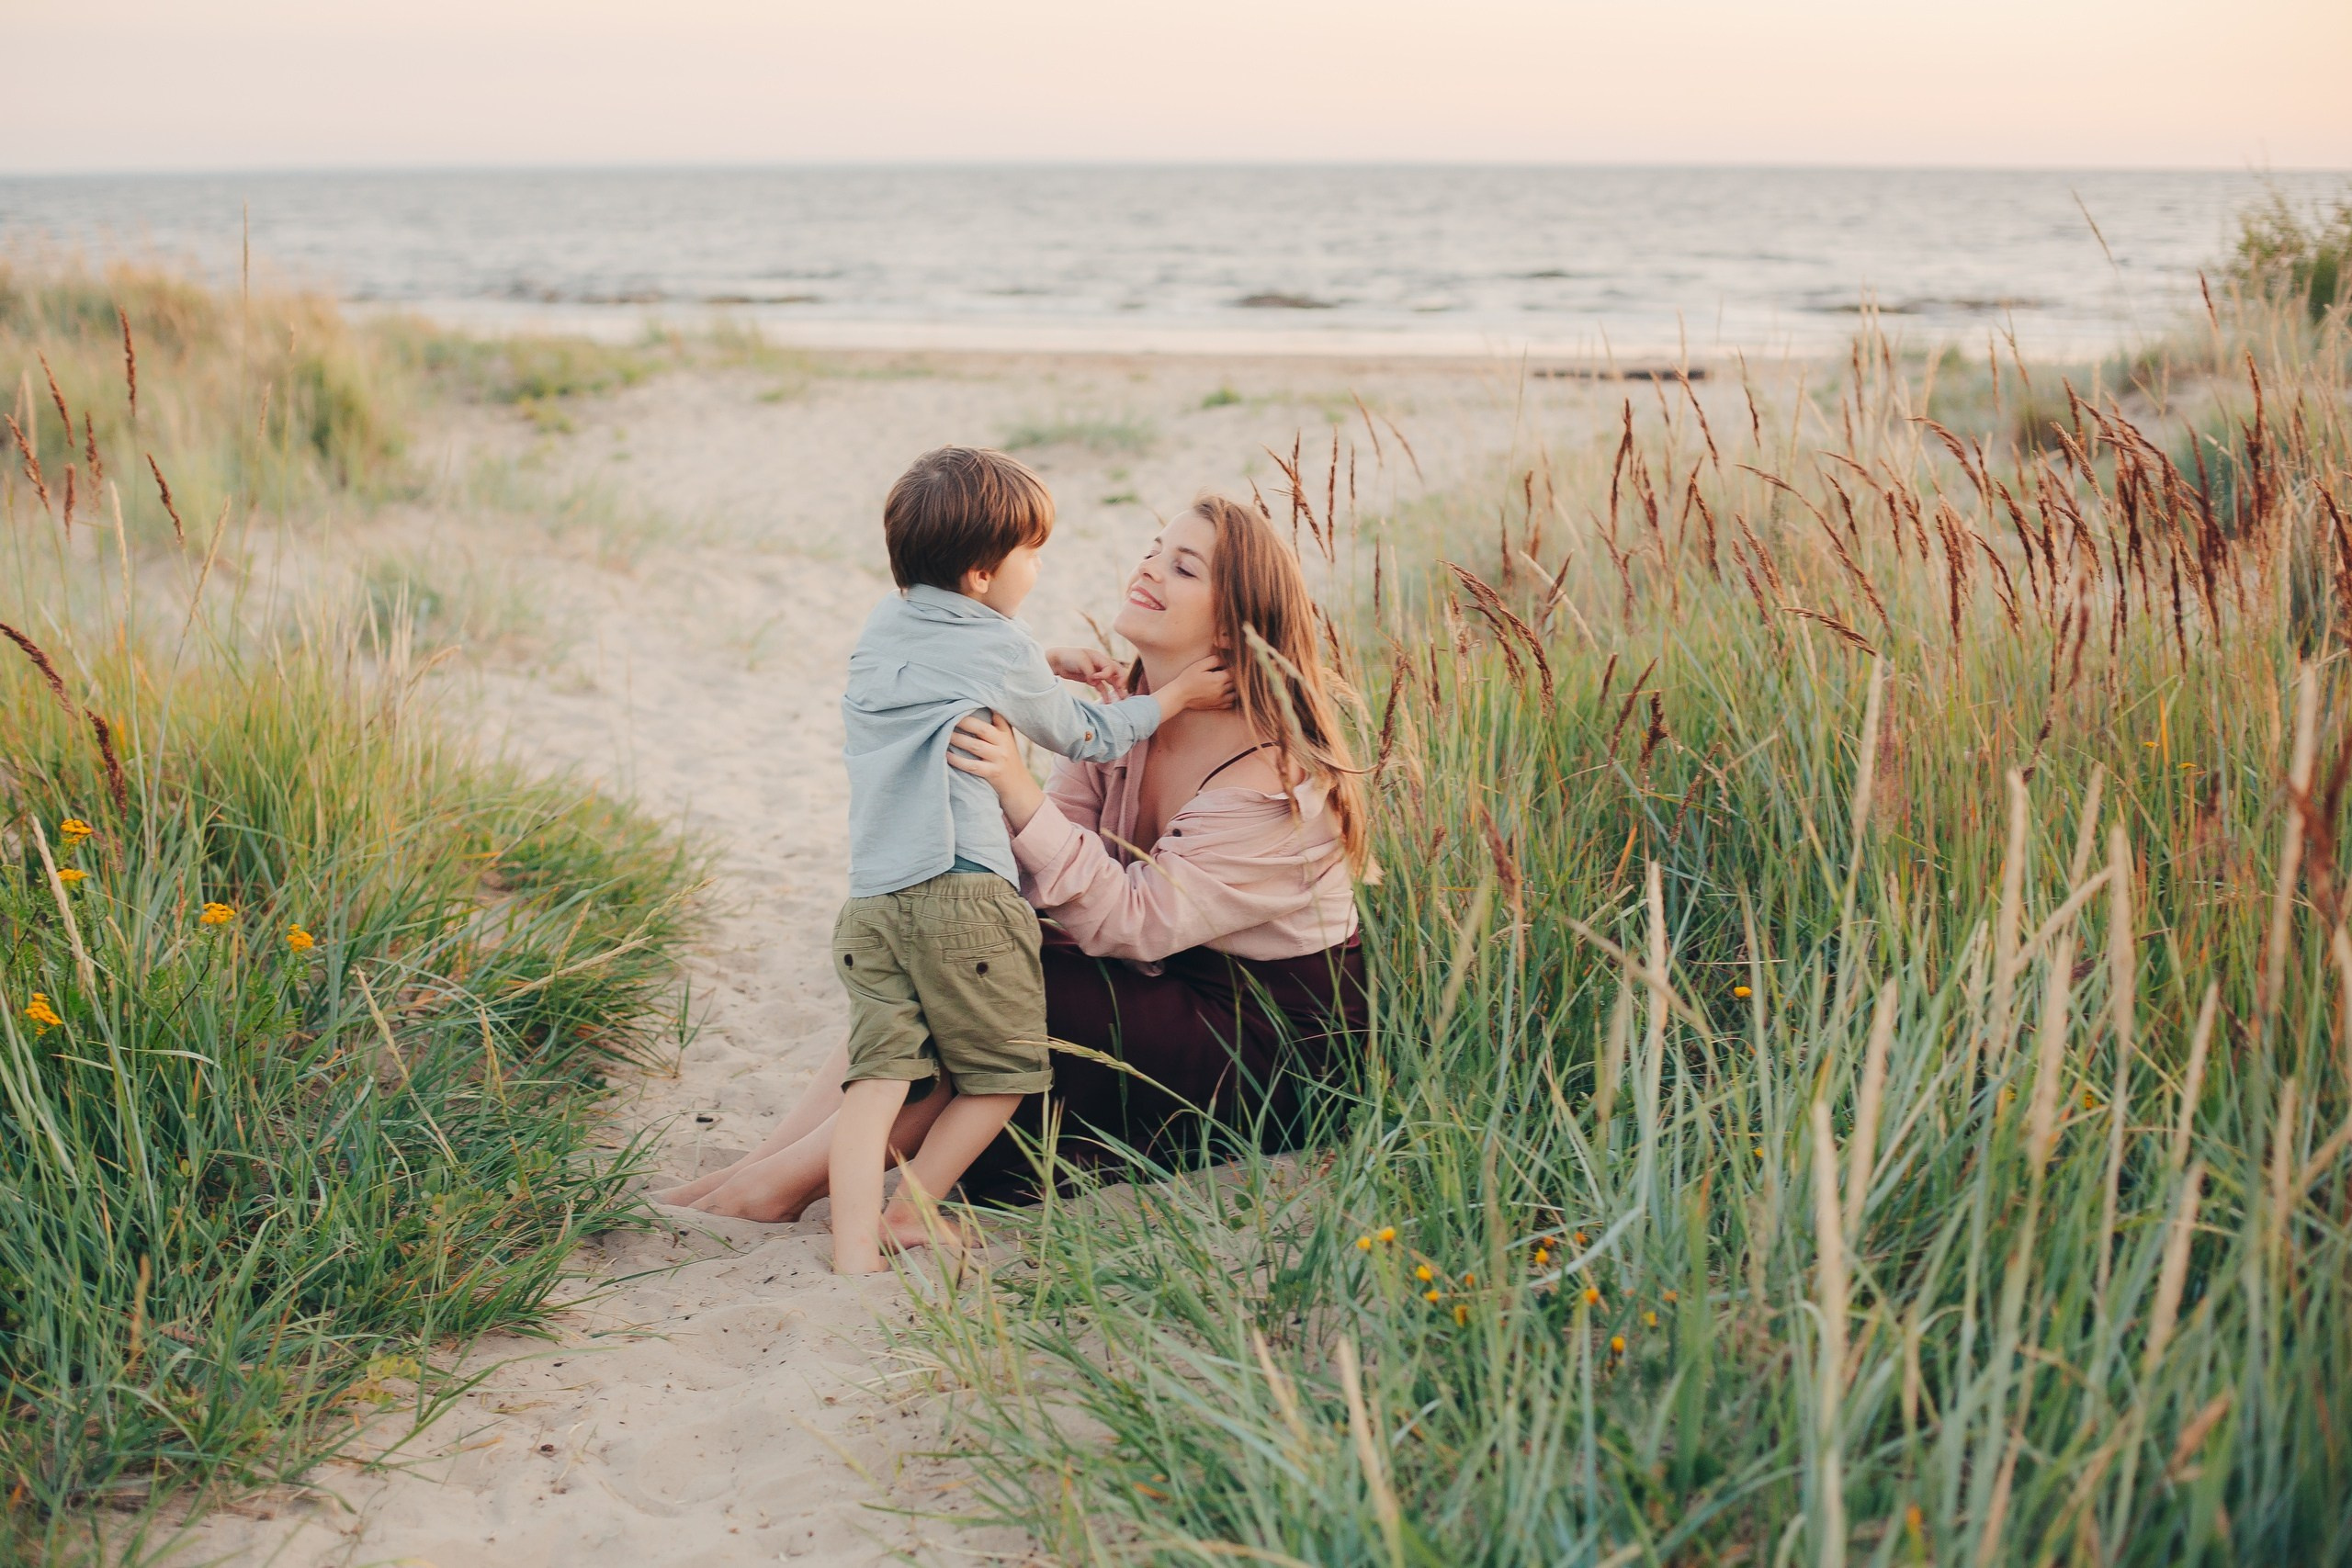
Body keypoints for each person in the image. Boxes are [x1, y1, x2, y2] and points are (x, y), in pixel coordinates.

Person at [662, 492, 1366, 1222]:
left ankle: (779, 1188)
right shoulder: (1124, 716)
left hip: (1265, 1042)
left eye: (1183, 567)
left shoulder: (1273, 780)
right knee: (951, 950)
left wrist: (1018, 789)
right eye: (1153, 549)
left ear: (1232, 622)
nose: (1149, 568)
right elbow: (1034, 877)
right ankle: (759, 1166)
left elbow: (1134, 922)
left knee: (991, 975)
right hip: (1151, 986)